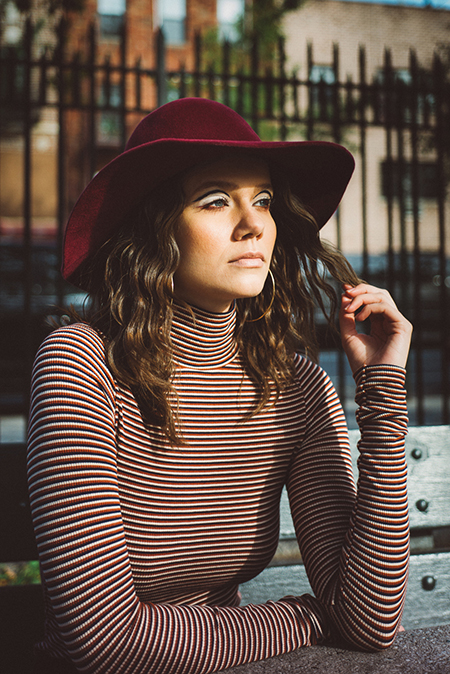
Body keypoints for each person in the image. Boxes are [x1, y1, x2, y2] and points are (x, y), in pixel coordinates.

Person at [27, 97, 412, 674]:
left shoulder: (298, 387)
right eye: (215, 200)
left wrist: (383, 391)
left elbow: (367, 620)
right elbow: (102, 640)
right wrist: (307, 616)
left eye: (263, 199)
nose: (254, 222)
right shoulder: (83, 364)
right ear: (152, 227)